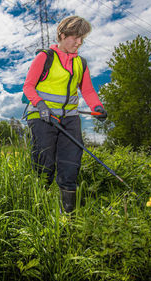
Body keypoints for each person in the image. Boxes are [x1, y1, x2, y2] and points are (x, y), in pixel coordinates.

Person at [23, 15, 107, 213]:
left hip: (69, 117)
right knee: (45, 161)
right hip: (41, 116)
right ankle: (38, 208)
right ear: (62, 35)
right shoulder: (45, 57)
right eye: (75, 37)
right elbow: (28, 87)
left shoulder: (81, 63)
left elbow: (87, 91)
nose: (79, 43)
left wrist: (98, 107)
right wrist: (41, 105)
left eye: (82, 39)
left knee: (71, 160)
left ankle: (68, 215)